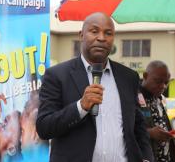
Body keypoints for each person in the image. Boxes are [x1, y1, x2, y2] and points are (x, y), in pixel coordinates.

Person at [36, 12, 154, 162]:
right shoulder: (57, 75)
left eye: (108, 33)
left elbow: (138, 126)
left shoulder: (129, 77)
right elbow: (44, 128)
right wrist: (81, 107)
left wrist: (146, 157)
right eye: (94, 31)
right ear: (81, 35)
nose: (101, 38)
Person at [139, 60, 175, 162]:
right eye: (158, 81)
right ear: (145, 76)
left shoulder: (160, 98)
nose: (163, 86)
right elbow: (123, 131)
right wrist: (150, 133)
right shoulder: (132, 97)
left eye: (166, 82)